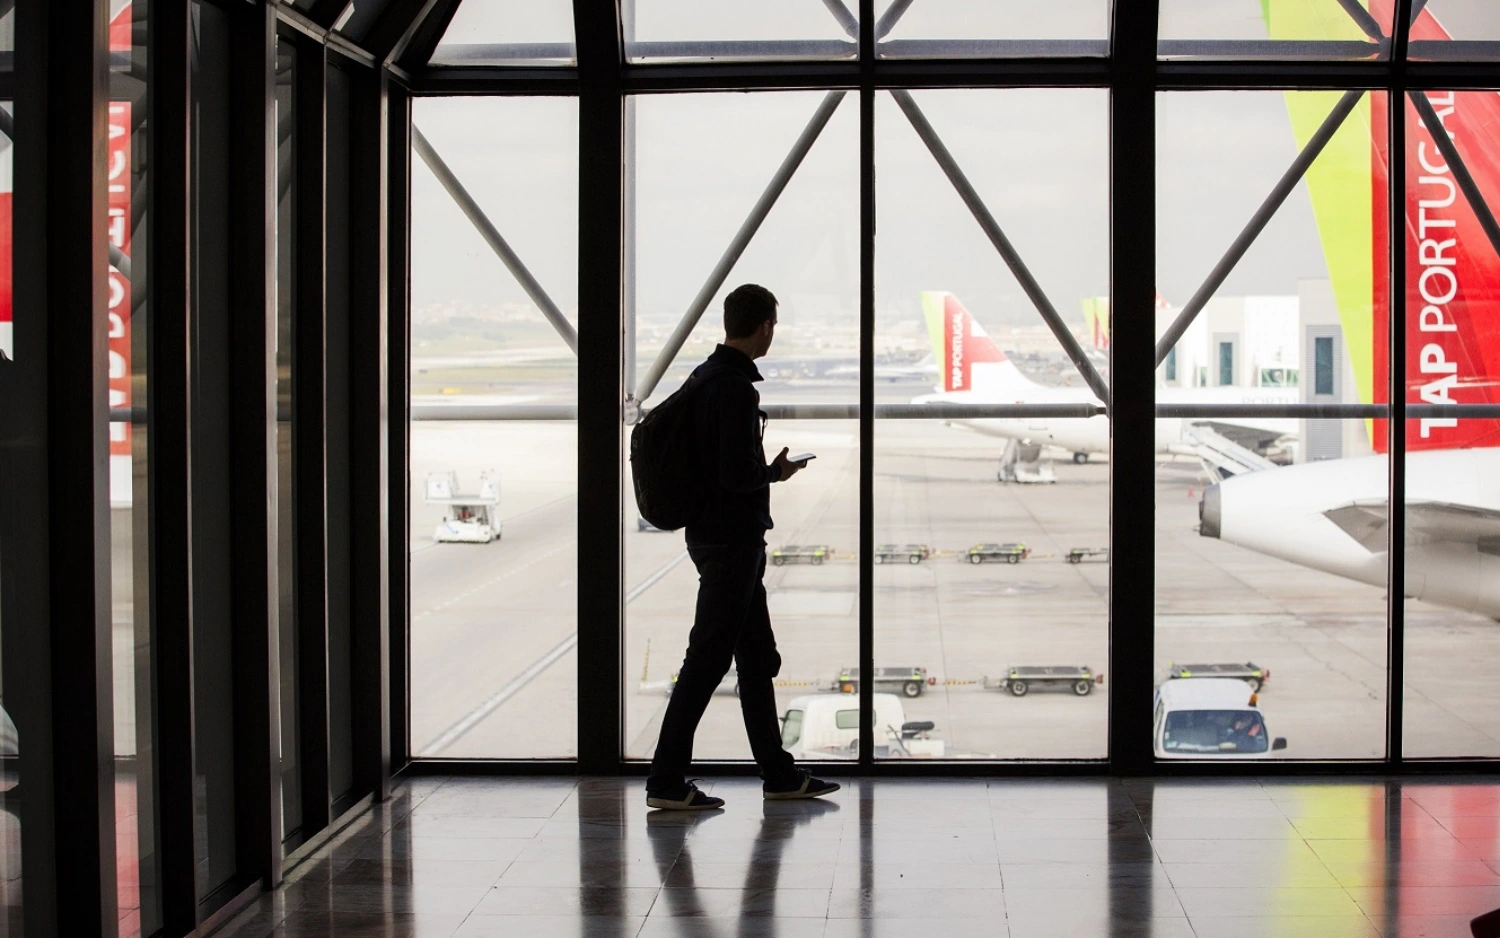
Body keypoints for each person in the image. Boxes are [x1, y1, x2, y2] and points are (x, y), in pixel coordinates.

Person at [645, 283, 840, 811]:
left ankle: (778, 773)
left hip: (716, 536)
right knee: (707, 660)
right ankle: (665, 781)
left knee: (757, 658)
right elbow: (733, 473)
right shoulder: (732, 389)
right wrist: (771, 473)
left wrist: (759, 473)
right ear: (766, 326)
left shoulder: (705, 378)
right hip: (731, 540)